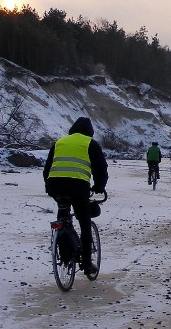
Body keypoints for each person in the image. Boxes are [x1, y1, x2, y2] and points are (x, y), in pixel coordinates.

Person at [43, 116, 108, 277]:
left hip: (55, 185)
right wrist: (99, 186)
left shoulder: (59, 142)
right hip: (78, 187)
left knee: (63, 214)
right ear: (90, 132)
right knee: (85, 223)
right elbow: (101, 169)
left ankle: (63, 248)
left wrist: (50, 187)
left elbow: (47, 169)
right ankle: (86, 263)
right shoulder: (90, 144)